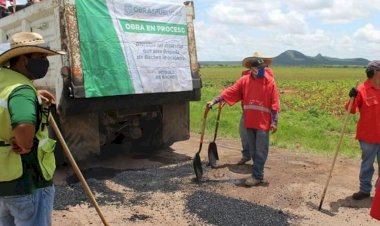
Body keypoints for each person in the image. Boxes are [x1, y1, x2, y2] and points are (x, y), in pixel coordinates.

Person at [0, 31, 65, 225]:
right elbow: (23, 124)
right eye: (40, 57)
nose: (45, 62)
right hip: (28, 182)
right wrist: (25, 144)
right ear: (22, 59)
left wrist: (35, 95)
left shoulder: (5, 81)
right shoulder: (22, 90)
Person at [207, 57, 280, 186]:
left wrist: (274, 121)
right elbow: (230, 91)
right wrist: (214, 100)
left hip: (263, 122)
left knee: (261, 150)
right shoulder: (245, 81)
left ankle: (257, 176)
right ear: (252, 69)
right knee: (252, 150)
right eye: (259, 69)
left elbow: (275, 103)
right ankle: (259, 174)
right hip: (250, 121)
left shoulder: (270, 82)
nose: (262, 70)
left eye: (263, 68)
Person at [347, 60, 380, 200]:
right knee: (367, 164)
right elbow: (351, 110)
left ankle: (379, 192)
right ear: (375, 73)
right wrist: (352, 98)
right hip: (368, 136)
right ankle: (365, 190)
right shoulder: (361, 89)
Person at [237, 52, 275, 165]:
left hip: (262, 113)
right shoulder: (246, 77)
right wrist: (223, 98)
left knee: (260, 140)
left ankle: (258, 165)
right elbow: (238, 90)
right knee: (244, 132)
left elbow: (272, 97)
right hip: (248, 110)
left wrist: (274, 119)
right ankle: (247, 154)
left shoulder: (268, 77)